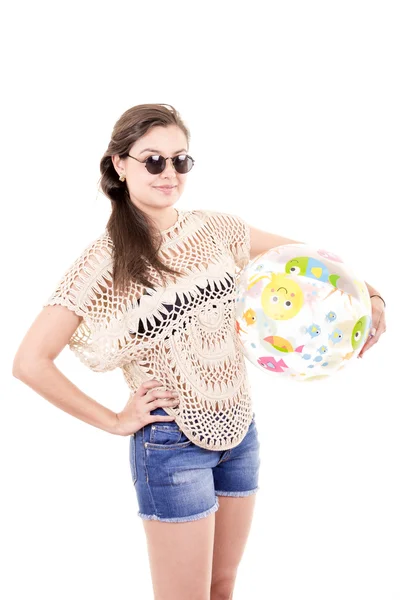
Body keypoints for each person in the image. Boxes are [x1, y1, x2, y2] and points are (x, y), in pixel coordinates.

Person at [12, 103, 386, 600]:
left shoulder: (217, 229)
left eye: (180, 160)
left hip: (240, 429)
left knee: (222, 586)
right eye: (153, 160)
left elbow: (310, 260)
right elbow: (29, 361)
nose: (169, 174)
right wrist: (115, 420)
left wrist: (373, 295)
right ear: (120, 165)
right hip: (170, 443)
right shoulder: (104, 262)